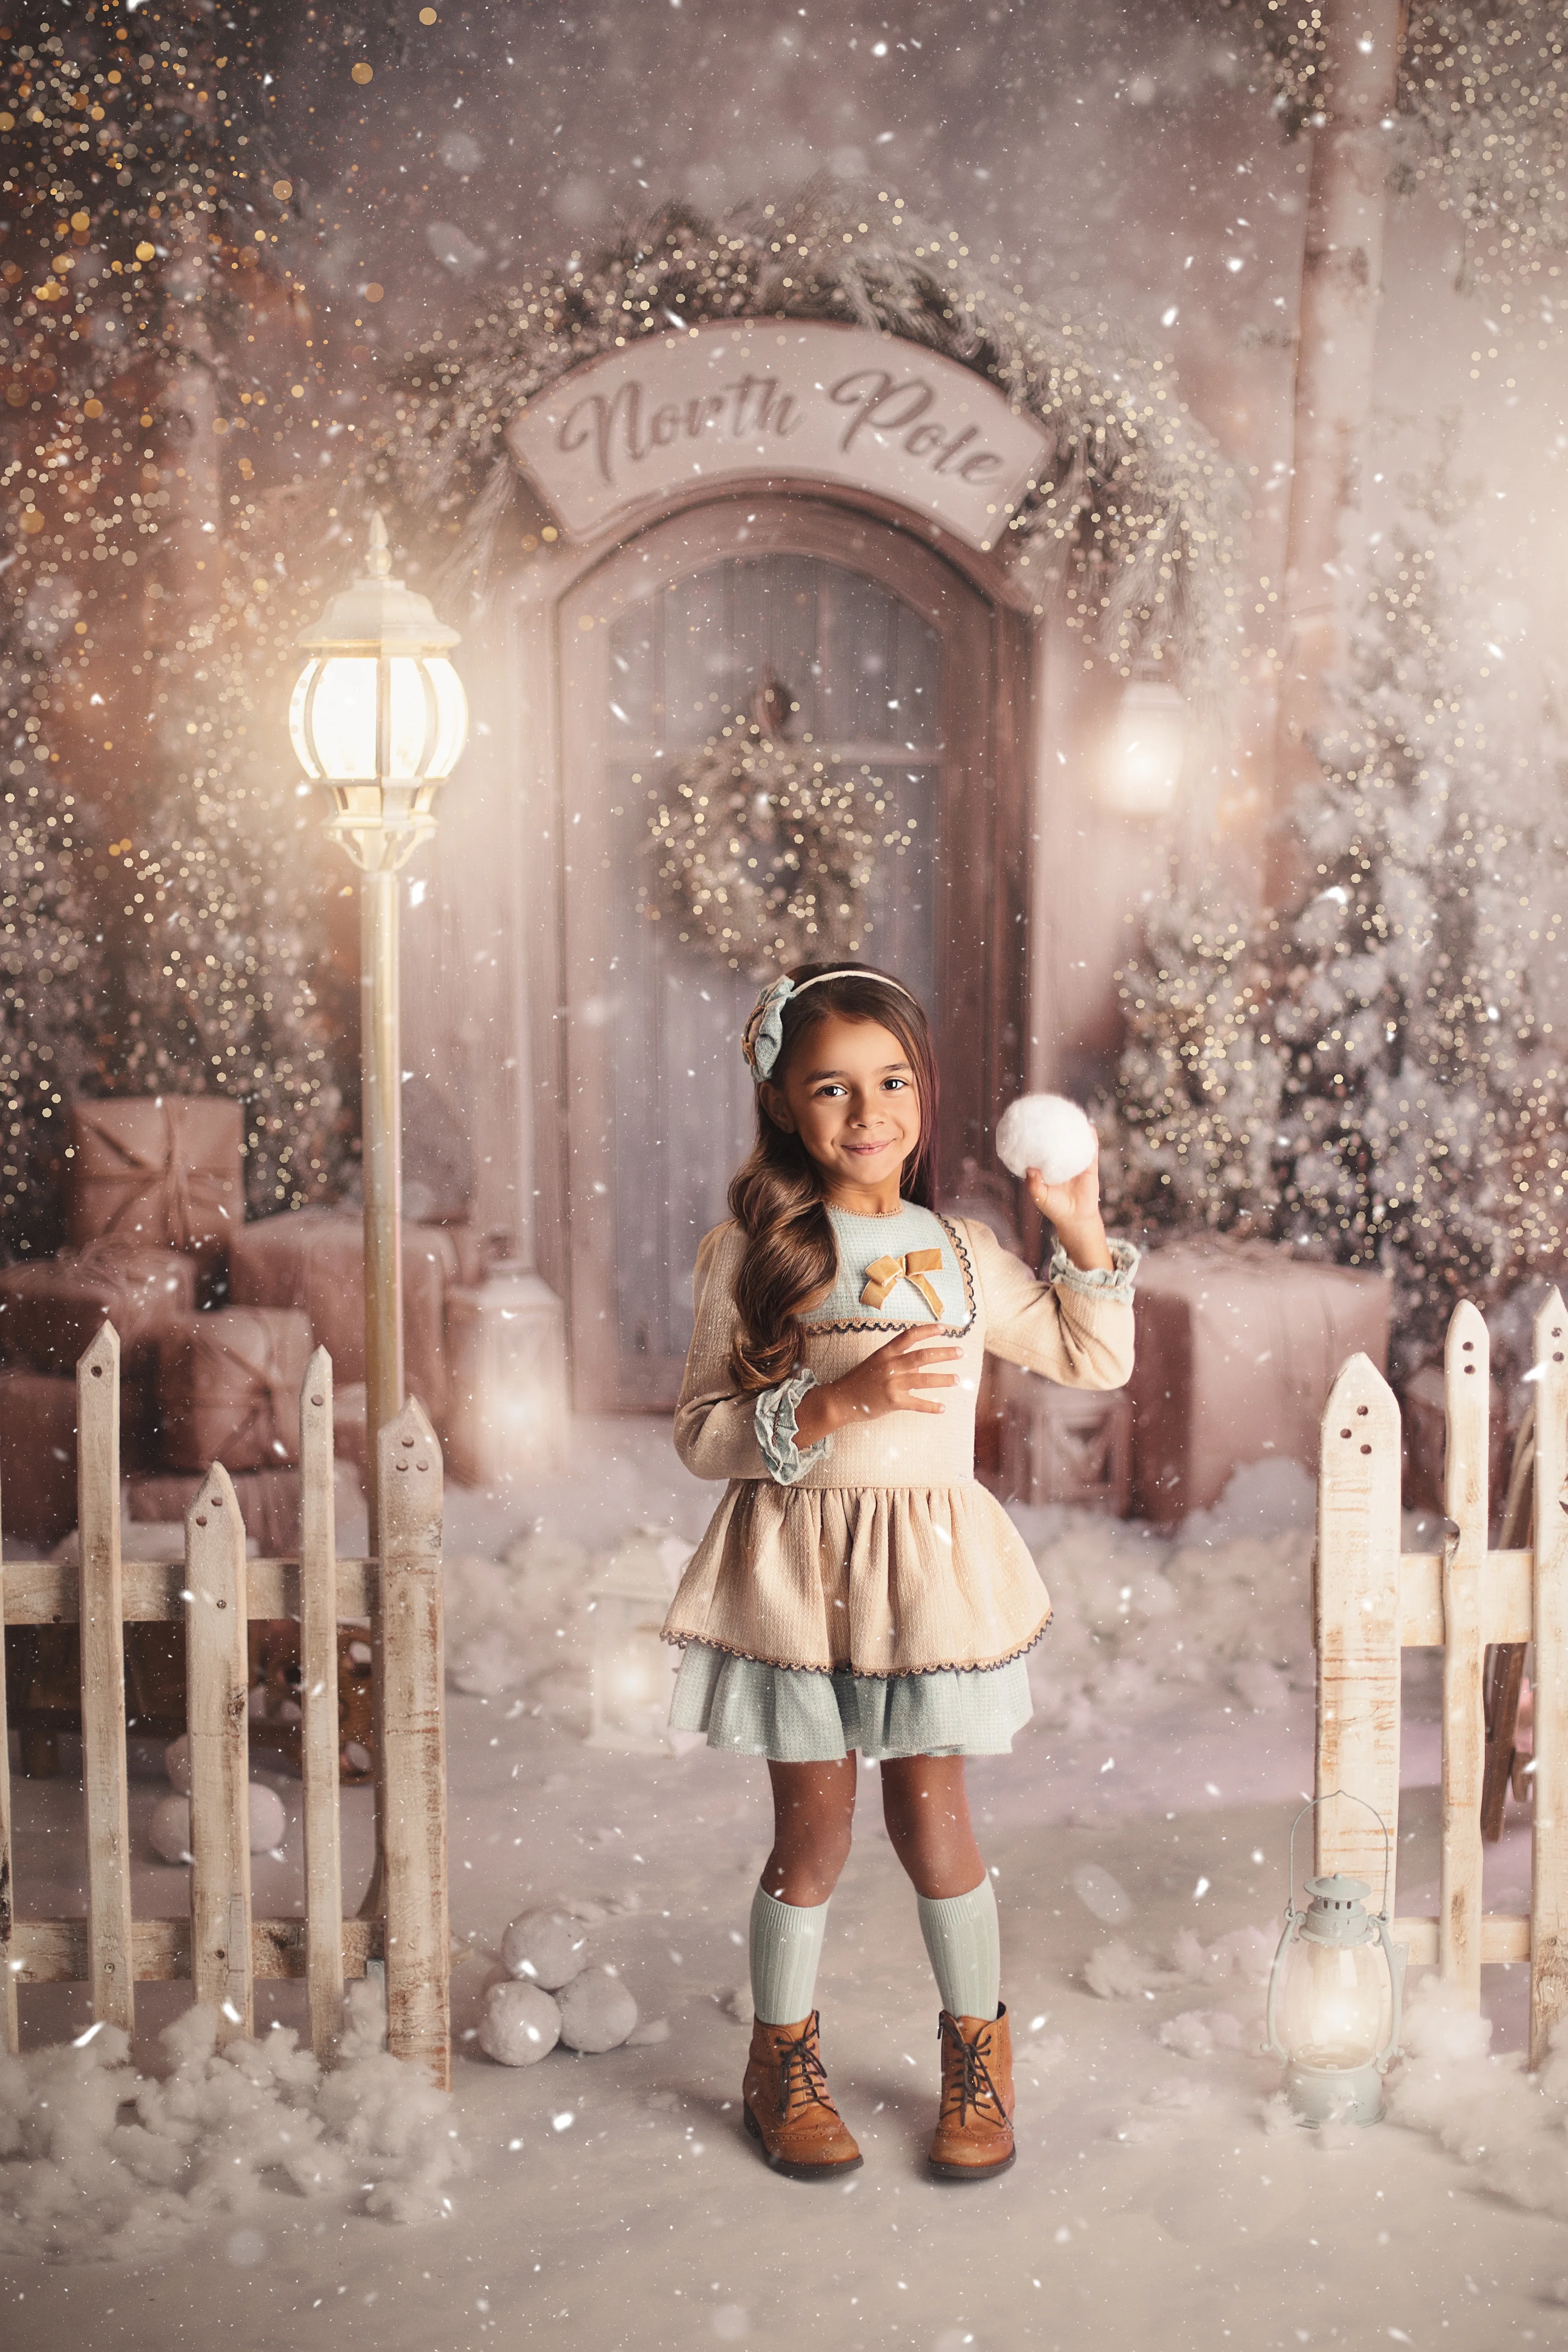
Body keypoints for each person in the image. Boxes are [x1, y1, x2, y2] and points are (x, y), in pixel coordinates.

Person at [662, 963, 1137, 2182]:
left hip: (924, 1581)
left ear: (923, 1091)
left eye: (890, 1083)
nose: (866, 1112)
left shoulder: (962, 1252)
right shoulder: (754, 1253)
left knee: (934, 1826)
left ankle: (979, 2058)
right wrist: (834, 1401)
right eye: (831, 1088)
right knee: (812, 1837)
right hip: (795, 1577)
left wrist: (1078, 1224)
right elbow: (703, 1434)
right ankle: (780, 2061)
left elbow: (1092, 1357)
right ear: (783, 1103)